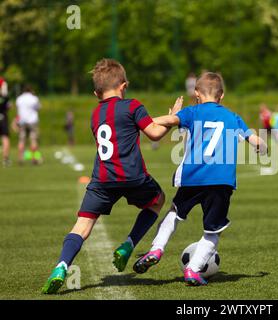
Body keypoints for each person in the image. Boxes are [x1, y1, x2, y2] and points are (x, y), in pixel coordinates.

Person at [41, 58, 184, 294]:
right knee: (157, 200)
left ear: (96, 93)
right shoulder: (132, 106)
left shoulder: (95, 115)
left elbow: (124, 126)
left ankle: (61, 266)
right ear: (124, 85)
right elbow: (154, 133)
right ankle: (128, 244)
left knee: (82, 225)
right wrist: (172, 118)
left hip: (102, 179)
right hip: (133, 177)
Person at [132, 72, 267, 286]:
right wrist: (263, 146)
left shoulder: (192, 112)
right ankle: (193, 270)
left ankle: (157, 249)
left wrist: (140, 121)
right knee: (212, 231)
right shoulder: (233, 117)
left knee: (175, 213)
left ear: (196, 93)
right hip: (221, 181)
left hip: (193, 177)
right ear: (221, 95)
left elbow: (168, 120)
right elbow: (255, 139)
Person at [16, 85, 42, 165]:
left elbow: (18, 110)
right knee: (33, 140)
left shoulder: (19, 99)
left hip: (22, 121)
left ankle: (20, 158)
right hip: (32, 121)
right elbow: (39, 107)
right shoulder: (34, 98)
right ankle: (34, 158)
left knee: (21, 140)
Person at [0, 76, 11, 167]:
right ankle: (5, 159)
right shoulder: (2, 82)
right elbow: (8, 105)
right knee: (5, 137)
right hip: (2, 116)